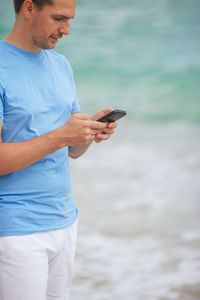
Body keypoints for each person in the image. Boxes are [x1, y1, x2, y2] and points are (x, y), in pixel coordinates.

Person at [0, 0, 117, 299]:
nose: (66, 30)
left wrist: (86, 132)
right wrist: (62, 136)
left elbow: (70, 150)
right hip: (16, 230)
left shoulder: (61, 65)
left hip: (65, 221)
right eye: (58, 18)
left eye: (70, 19)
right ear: (29, 8)